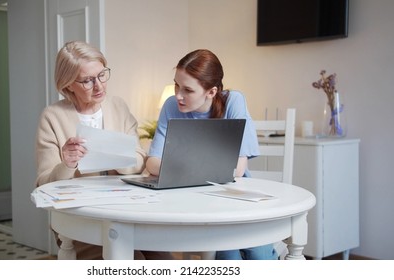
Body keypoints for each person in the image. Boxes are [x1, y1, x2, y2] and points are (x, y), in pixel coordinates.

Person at [35, 40, 172, 260]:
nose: (99, 86)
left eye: (102, 75)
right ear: (68, 84)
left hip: (126, 210)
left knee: (163, 260)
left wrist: (118, 159)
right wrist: (67, 164)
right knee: (134, 260)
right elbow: (44, 183)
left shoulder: (118, 106)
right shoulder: (52, 116)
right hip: (80, 217)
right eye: (87, 80)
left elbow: (139, 159)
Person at [146, 49, 277, 260]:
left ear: (211, 92)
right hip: (188, 199)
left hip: (233, 196)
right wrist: (202, 168)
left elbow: (237, 169)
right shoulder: (171, 106)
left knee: (257, 250)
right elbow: (152, 163)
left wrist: (181, 167)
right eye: (176, 85)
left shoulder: (233, 101)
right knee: (228, 253)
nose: (178, 95)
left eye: (188, 90)